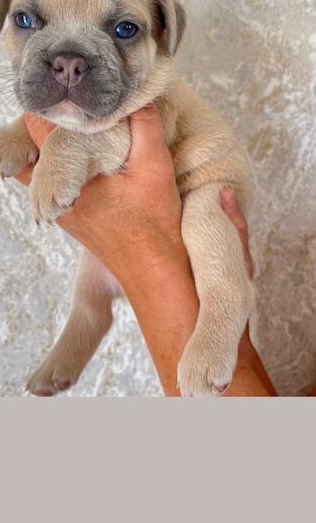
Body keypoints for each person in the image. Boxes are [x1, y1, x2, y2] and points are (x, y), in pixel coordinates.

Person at [16, 105, 277, 397]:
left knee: (201, 215)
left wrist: (63, 153)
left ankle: (223, 309)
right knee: (96, 258)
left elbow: (118, 141)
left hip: (202, 180)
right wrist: (16, 137)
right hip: (158, 198)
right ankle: (88, 318)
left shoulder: (155, 100)